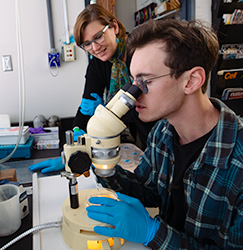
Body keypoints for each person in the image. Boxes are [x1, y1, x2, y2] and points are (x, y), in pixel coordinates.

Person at [85, 18, 243, 249]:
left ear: (192, 81)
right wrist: (105, 165)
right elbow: (150, 190)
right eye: (133, 80)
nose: (133, 95)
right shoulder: (163, 134)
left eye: (145, 81)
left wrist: (152, 233)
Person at [29, 4, 156, 173]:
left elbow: (151, 105)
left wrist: (105, 109)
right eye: (87, 44)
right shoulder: (98, 63)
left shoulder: (141, 52)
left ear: (114, 27)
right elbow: (86, 106)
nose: (95, 48)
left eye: (98, 37)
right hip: (141, 133)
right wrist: (73, 146)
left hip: (164, 126)